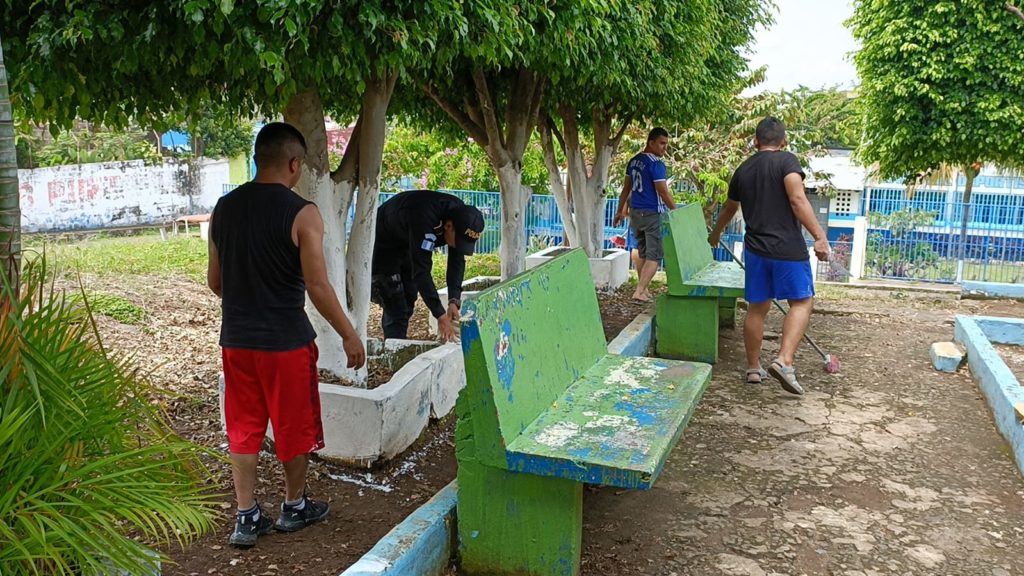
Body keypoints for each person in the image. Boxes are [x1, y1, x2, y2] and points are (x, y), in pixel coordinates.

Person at [207, 122, 366, 548]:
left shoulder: (223, 209)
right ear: (294, 164)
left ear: (258, 159)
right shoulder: (303, 213)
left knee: (243, 426)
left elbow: (215, 282)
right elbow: (317, 285)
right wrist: (349, 334)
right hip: (286, 343)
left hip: (236, 340)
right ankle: (294, 506)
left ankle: (246, 515)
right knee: (293, 426)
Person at [708, 116, 829, 395]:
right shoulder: (787, 161)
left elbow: (729, 208)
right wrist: (819, 236)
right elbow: (797, 199)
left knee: (757, 308)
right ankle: (784, 361)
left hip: (756, 250)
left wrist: (715, 234)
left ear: (756, 141)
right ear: (784, 140)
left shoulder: (743, 169)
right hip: (787, 248)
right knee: (802, 301)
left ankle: (753, 368)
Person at [371, 190, 485, 342]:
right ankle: (394, 348)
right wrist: (440, 315)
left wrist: (454, 301)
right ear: (449, 226)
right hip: (383, 241)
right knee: (394, 300)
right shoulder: (425, 216)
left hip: (407, 242)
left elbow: (456, 262)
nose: (459, 247)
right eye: (459, 241)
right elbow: (421, 272)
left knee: (409, 296)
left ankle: (397, 340)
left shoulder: (461, 216)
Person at [613, 127, 677, 302]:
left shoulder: (634, 161)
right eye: (662, 143)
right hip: (652, 213)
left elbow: (626, 188)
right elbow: (663, 191)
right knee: (654, 256)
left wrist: (620, 211)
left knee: (641, 252)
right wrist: (676, 211)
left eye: (666, 144)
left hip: (635, 213)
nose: (665, 148)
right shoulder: (656, 164)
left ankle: (643, 288)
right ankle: (640, 290)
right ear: (651, 142)